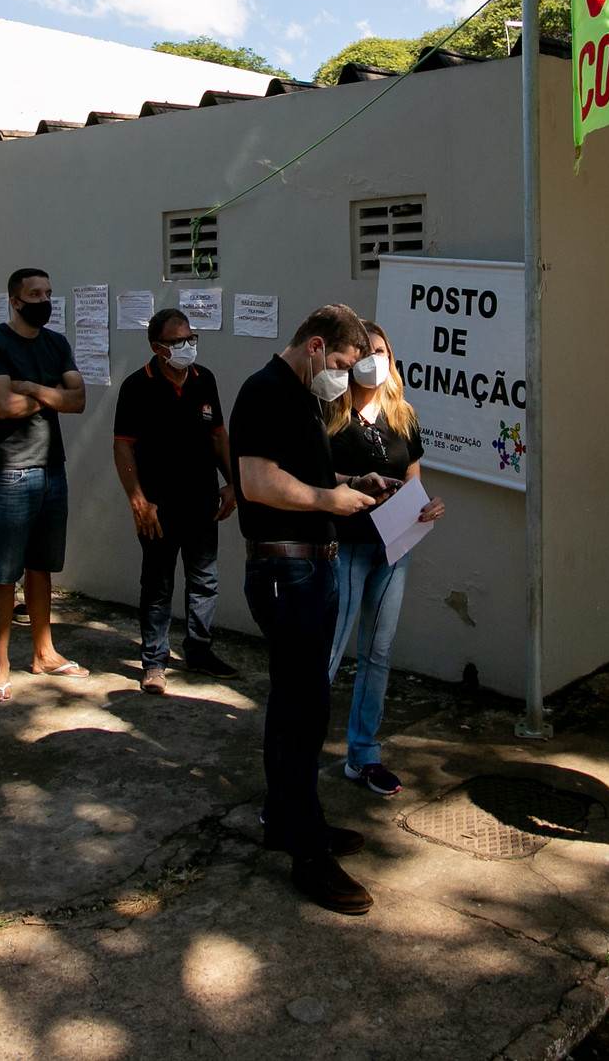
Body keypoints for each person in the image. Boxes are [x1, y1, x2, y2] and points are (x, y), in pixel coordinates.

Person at [229, 303, 390, 916]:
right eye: (345, 363)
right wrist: (329, 497)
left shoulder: (302, 397)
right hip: (285, 569)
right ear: (317, 346)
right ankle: (307, 852)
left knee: (300, 702)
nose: (347, 378)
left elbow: (303, 474)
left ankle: (291, 821)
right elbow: (258, 482)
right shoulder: (266, 390)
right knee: (303, 706)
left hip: (309, 564)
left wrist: (358, 481)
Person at [325, 322, 447, 798]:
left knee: (377, 653)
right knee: (329, 652)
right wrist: (356, 480)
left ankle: (363, 755)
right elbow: (314, 474)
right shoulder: (330, 415)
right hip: (348, 544)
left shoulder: (403, 416)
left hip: (393, 548)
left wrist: (428, 506)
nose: (375, 359)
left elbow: (414, 479)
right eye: (367, 351)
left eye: (383, 351)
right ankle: (297, 752)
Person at [0, 267, 89, 701]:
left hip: (51, 467)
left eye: (49, 292)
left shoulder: (56, 343)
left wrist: (29, 387)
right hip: (10, 471)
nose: (45, 300)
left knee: (42, 567)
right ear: (15, 300)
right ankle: (1, 665)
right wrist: (48, 394)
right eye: (35, 293)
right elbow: (2, 406)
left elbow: (78, 401)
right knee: (5, 571)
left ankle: (44, 653)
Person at [112, 307, 238, 695]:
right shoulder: (137, 386)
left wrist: (234, 484)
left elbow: (218, 436)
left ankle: (199, 650)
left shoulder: (205, 380)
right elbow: (123, 447)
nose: (188, 346)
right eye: (178, 341)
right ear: (157, 347)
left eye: (191, 339)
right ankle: (154, 661)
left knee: (205, 580)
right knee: (158, 583)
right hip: (158, 507)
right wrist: (137, 499)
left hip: (202, 500)